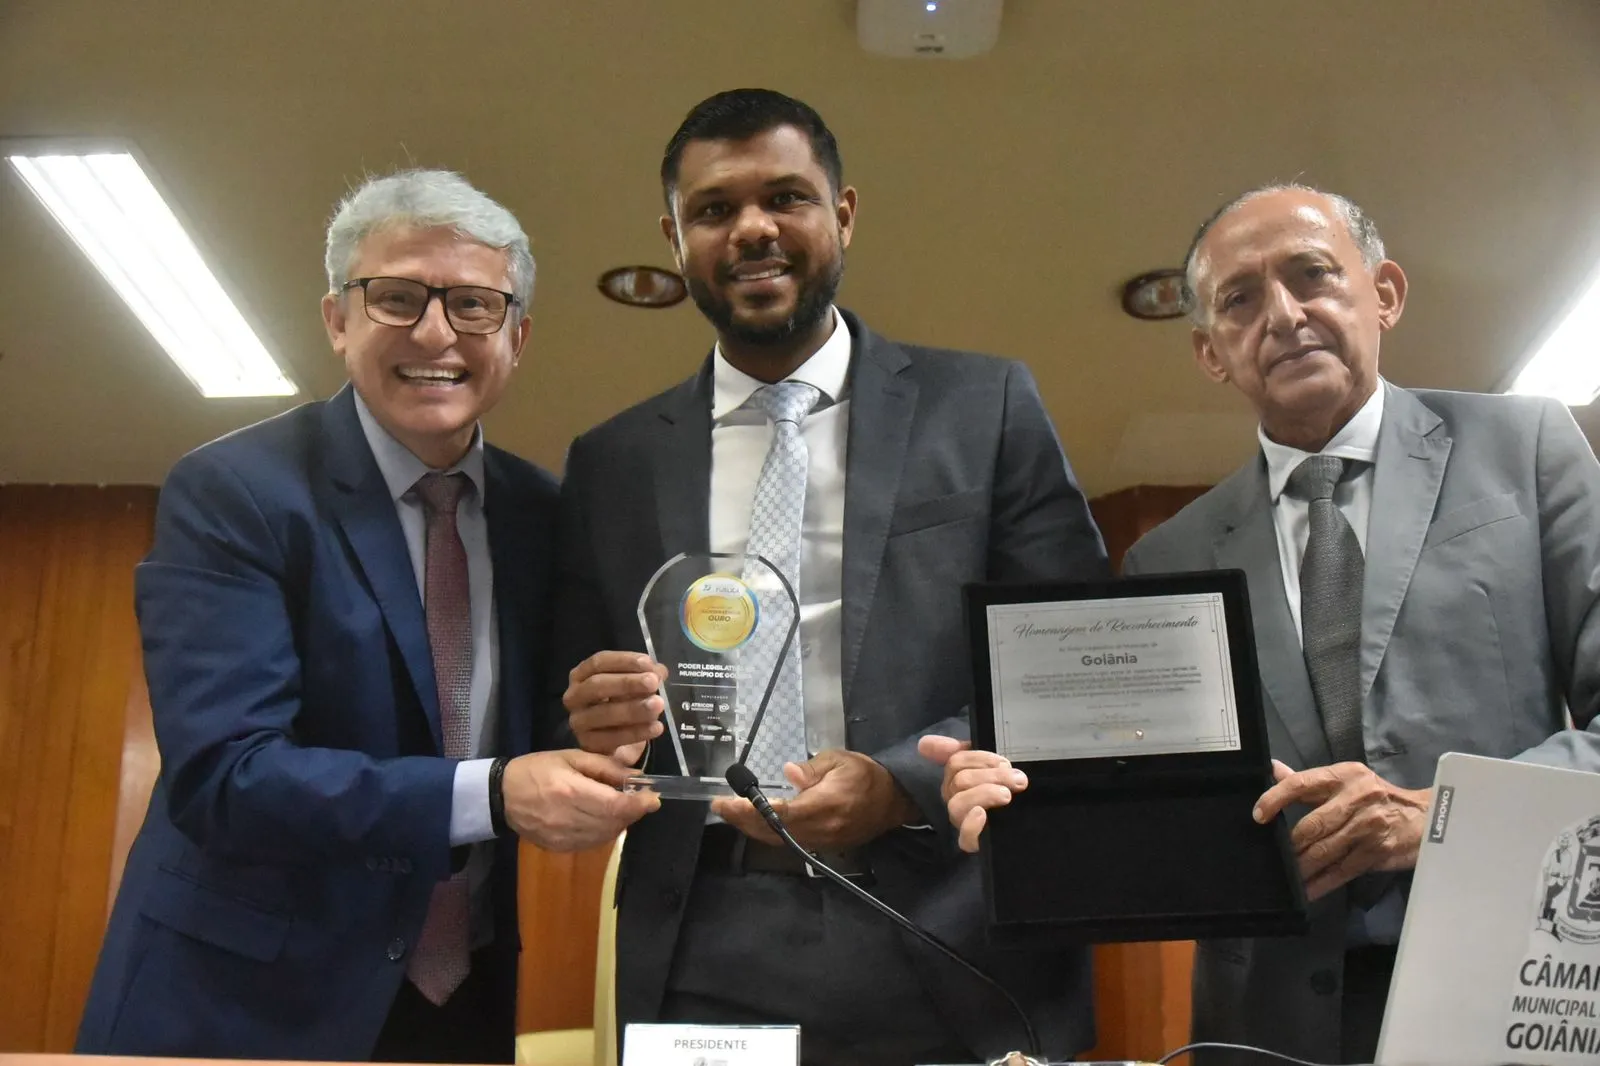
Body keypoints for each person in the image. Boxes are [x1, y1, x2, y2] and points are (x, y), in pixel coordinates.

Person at [923, 183, 1600, 1065]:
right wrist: (1018, 809)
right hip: (1264, 1018)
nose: (1282, 314)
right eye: (1241, 300)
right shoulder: (1170, 557)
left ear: (1384, 293)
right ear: (1211, 351)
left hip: (1505, 983)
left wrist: (1437, 817)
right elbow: (1145, 815)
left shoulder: (1528, 450)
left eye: (1312, 275)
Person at [555, 89, 1108, 1065]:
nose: (752, 229)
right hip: (703, 937)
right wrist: (587, 716)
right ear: (675, 238)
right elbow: (572, 708)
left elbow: (1072, 674)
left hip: (951, 925)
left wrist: (897, 784)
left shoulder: (985, 409)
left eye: (785, 198)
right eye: (715, 209)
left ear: (842, 213)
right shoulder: (611, 461)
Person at [76, 169, 659, 1063]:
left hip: (461, 1001)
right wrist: (497, 792)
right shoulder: (237, 491)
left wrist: (608, 730)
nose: (435, 331)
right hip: (242, 1006)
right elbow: (228, 777)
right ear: (337, 321)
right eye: (396, 298)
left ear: (518, 337)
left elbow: (539, 731)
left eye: (473, 303)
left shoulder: (548, 515)